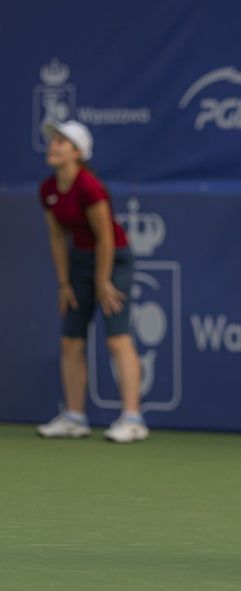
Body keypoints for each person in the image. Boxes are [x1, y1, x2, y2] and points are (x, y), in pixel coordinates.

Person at [36, 120, 149, 444]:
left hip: (114, 259)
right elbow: (58, 237)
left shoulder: (90, 188)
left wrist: (102, 281)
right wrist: (64, 283)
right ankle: (74, 417)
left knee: (117, 338)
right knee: (71, 340)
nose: (53, 145)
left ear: (78, 152)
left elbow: (106, 238)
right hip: (80, 262)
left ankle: (133, 419)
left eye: (61, 142)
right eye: (52, 141)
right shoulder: (48, 190)